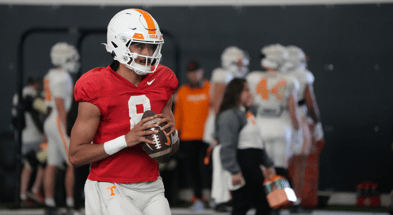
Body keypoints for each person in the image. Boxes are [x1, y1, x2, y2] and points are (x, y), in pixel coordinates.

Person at [69, 8, 179, 215]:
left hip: (152, 184)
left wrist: (172, 137)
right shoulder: (96, 84)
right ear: (117, 44)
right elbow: (76, 155)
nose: (148, 54)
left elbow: (168, 151)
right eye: (139, 46)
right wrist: (125, 140)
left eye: (152, 46)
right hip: (110, 185)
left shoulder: (164, 80)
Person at [246, 44, 302, 215]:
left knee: (262, 168)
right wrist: (297, 132)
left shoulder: (253, 77)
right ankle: (278, 204)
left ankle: (262, 207)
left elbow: (248, 104)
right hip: (281, 126)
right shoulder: (290, 79)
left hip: (261, 125)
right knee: (280, 170)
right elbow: (293, 110)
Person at [215, 78, 275, 215]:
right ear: (236, 93)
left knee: (264, 205)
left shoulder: (247, 114)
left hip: (254, 166)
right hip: (243, 166)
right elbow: (227, 145)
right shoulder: (229, 115)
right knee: (242, 206)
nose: (250, 93)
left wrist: (268, 164)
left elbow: (258, 142)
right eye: (246, 90)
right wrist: (234, 171)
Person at [285, 45, 324, 210]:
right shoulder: (304, 76)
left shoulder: (275, 75)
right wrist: (317, 123)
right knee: (299, 163)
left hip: (276, 119)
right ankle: (296, 200)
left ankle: (276, 199)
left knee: (277, 165)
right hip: (298, 119)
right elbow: (310, 104)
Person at [42, 42, 80, 214]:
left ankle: (49, 203)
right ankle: (71, 203)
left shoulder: (50, 74)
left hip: (50, 120)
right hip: (58, 120)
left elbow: (49, 105)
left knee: (52, 163)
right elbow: (59, 104)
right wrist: (66, 128)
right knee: (73, 160)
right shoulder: (62, 77)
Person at [173, 61, 210, 211]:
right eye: (190, 72)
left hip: (207, 136)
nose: (193, 75)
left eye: (196, 71)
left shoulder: (210, 88)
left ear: (202, 72)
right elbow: (177, 115)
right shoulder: (182, 92)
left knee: (209, 169)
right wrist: (174, 134)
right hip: (188, 137)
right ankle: (198, 197)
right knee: (193, 170)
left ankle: (215, 197)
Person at [12, 76, 46, 205]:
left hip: (21, 136)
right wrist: (43, 131)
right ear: (36, 83)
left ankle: (22, 194)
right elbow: (36, 115)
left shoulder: (17, 95)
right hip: (34, 136)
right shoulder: (33, 95)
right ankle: (35, 189)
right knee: (46, 160)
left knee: (28, 165)